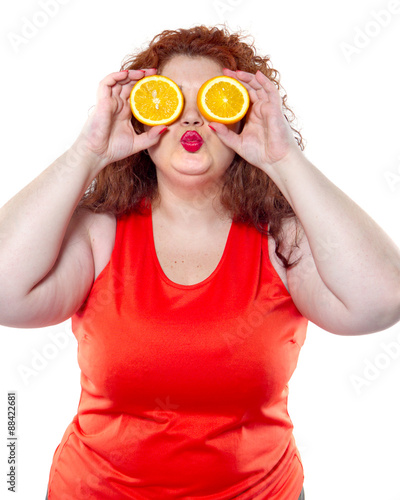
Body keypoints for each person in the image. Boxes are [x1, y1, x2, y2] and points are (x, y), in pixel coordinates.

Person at [1, 25, 399, 500]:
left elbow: (382, 301)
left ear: (241, 119)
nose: (191, 122)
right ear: (141, 117)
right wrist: (87, 153)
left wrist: (282, 158)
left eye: (212, 102)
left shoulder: (281, 240)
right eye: (170, 102)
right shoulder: (100, 233)